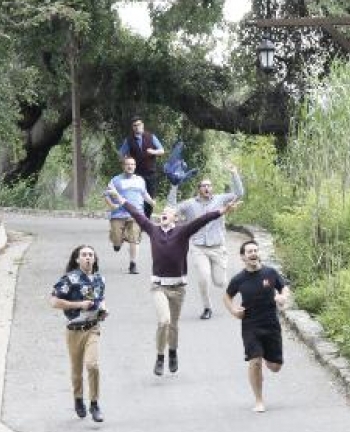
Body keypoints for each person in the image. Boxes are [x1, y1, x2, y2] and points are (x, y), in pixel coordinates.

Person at [105, 184, 239, 377]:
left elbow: (202, 219)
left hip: (178, 288)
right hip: (158, 286)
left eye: (168, 212)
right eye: (162, 213)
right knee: (164, 321)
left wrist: (221, 210)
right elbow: (135, 213)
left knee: (174, 325)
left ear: (176, 218)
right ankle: (160, 357)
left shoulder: (183, 232)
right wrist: (119, 197)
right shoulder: (152, 230)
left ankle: (172, 352)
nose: (163, 214)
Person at [168, 163, 245, 320]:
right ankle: (207, 308)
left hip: (217, 247)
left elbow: (239, 193)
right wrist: (174, 186)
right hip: (198, 247)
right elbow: (172, 207)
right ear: (199, 189)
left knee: (220, 282)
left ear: (212, 188)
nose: (207, 188)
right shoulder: (190, 204)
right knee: (203, 278)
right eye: (203, 186)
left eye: (209, 186)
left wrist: (234, 173)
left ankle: (218, 278)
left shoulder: (220, 199)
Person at [222, 239, 290, 413]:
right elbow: (227, 297)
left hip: (271, 324)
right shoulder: (239, 279)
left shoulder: (270, 273)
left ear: (259, 253)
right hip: (250, 325)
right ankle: (259, 400)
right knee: (255, 362)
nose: (253, 254)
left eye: (255, 250)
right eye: (249, 252)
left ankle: (267, 357)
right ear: (243, 257)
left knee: (275, 367)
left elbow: (284, 288)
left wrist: (283, 297)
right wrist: (234, 311)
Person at [49, 245, 107, 423]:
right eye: (84, 255)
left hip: (92, 328)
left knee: (93, 365)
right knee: (76, 370)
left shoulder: (99, 279)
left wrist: (104, 309)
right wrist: (79, 305)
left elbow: (101, 299)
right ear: (77, 259)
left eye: (91, 255)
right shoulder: (70, 279)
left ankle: (95, 404)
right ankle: (78, 399)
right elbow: (53, 301)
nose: (88, 258)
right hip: (74, 329)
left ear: (95, 259)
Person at [105, 156, 155, 274]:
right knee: (117, 239)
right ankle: (117, 242)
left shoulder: (140, 180)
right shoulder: (115, 180)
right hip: (118, 214)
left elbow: (144, 194)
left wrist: (152, 202)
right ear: (123, 166)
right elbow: (106, 194)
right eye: (127, 164)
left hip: (136, 214)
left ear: (135, 166)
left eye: (132, 164)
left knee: (134, 239)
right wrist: (112, 205)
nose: (130, 166)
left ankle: (133, 264)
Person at [118, 116, 165, 217]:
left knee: (150, 198)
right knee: (138, 197)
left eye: (138, 125)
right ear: (132, 127)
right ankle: (139, 219)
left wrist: (153, 151)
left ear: (142, 125)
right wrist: (127, 163)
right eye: (134, 125)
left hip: (150, 173)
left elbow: (162, 150)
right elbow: (121, 154)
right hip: (137, 174)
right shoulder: (129, 140)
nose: (137, 127)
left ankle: (147, 219)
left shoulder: (151, 137)